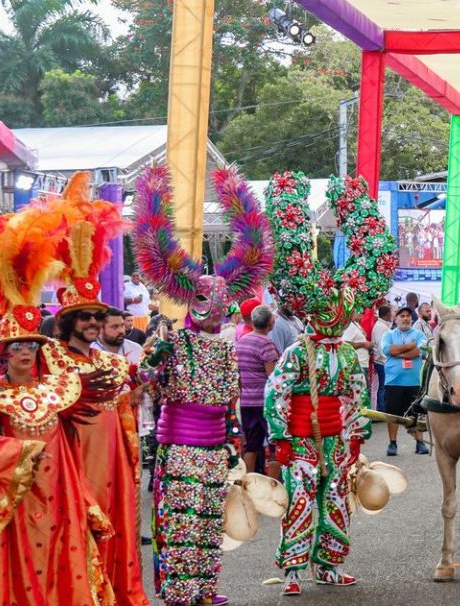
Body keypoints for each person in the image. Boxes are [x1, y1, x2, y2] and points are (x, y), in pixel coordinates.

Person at [130, 165, 272, 606]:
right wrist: (158, 348)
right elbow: (144, 380)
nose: (216, 310)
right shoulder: (173, 339)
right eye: (207, 300)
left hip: (214, 450)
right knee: (180, 522)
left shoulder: (227, 346)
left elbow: (230, 401)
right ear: (193, 301)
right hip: (180, 447)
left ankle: (207, 589)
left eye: (222, 302)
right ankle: (178, 592)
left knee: (210, 519)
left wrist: (233, 445)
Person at [263, 173, 395, 596]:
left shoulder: (344, 353)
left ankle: (330, 566)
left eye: (343, 312)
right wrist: (280, 436)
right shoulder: (299, 351)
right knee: (300, 500)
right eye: (327, 312)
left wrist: (356, 433)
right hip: (301, 438)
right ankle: (293, 571)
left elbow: (357, 396)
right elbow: (276, 393)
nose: (335, 318)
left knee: (337, 499)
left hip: (337, 441)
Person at [0, 201, 116, 605]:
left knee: (66, 557)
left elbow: (89, 407)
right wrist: (20, 455)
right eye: (17, 347)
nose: (25, 352)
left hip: (60, 492)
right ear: (4, 354)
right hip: (18, 497)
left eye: (31, 345)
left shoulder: (58, 389)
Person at [39, 174, 150, 605]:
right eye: (82, 317)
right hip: (71, 464)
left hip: (113, 466)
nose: (90, 323)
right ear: (67, 321)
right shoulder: (50, 359)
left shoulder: (112, 360)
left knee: (114, 530)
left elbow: (131, 404)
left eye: (95, 317)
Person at [237, 305, 280, 475]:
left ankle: (249, 484)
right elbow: (273, 377)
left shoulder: (242, 341)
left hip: (247, 402)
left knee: (251, 446)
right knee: (275, 445)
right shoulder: (266, 343)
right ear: (270, 322)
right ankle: (273, 486)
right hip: (265, 403)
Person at [380, 307, 429, 455]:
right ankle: (393, 443)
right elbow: (388, 350)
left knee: (416, 414)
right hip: (393, 382)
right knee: (393, 415)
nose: (406, 318)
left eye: (408, 316)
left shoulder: (419, 335)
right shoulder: (388, 334)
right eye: (402, 316)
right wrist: (408, 347)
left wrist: (400, 353)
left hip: (414, 382)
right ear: (396, 319)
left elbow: (419, 352)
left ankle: (419, 443)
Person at [371, 304, 392, 413]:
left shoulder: (383, 326)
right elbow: (381, 346)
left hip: (382, 361)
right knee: (382, 386)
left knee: (383, 386)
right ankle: (381, 408)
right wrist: (387, 360)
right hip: (381, 361)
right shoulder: (380, 327)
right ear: (388, 314)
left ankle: (382, 407)